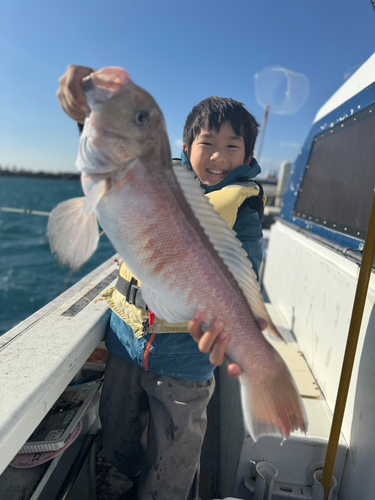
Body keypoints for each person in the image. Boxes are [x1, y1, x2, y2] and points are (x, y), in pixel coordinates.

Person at [57, 65, 264, 500]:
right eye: (207, 144)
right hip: (125, 343)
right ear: (185, 147)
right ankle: (115, 483)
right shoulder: (151, 176)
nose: (219, 157)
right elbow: (121, 146)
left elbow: (245, 267)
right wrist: (85, 105)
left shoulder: (242, 209)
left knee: (177, 449)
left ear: (248, 158)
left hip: (187, 362)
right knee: (117, 430)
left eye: (233, 147)